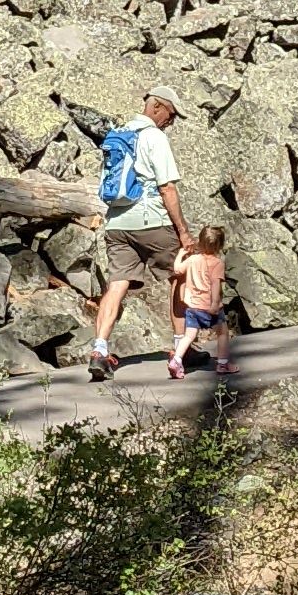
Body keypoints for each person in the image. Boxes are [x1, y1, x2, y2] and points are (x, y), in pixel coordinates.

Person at [85, 89, 190, 382]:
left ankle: (99, 350)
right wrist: (183, 232)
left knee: (116, 285)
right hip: (152, 221)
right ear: (156, 108)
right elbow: (167, 187)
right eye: (170, 115)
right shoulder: (154, 137)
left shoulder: (117, 135)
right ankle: (183, 348)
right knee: (178, 278)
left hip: (117, 223)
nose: (171, 122)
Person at [166, 223, 234, 380]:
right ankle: (223, 364)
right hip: (209, 306)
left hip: (192, 307)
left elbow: (177, 270)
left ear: (200, 242)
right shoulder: (217, 263)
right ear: (220, 246)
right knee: (222, 333)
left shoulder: (193, 260)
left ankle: (176, 360)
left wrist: (180, 254)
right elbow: (216, 285)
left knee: (189, 336)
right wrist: (215, 304)